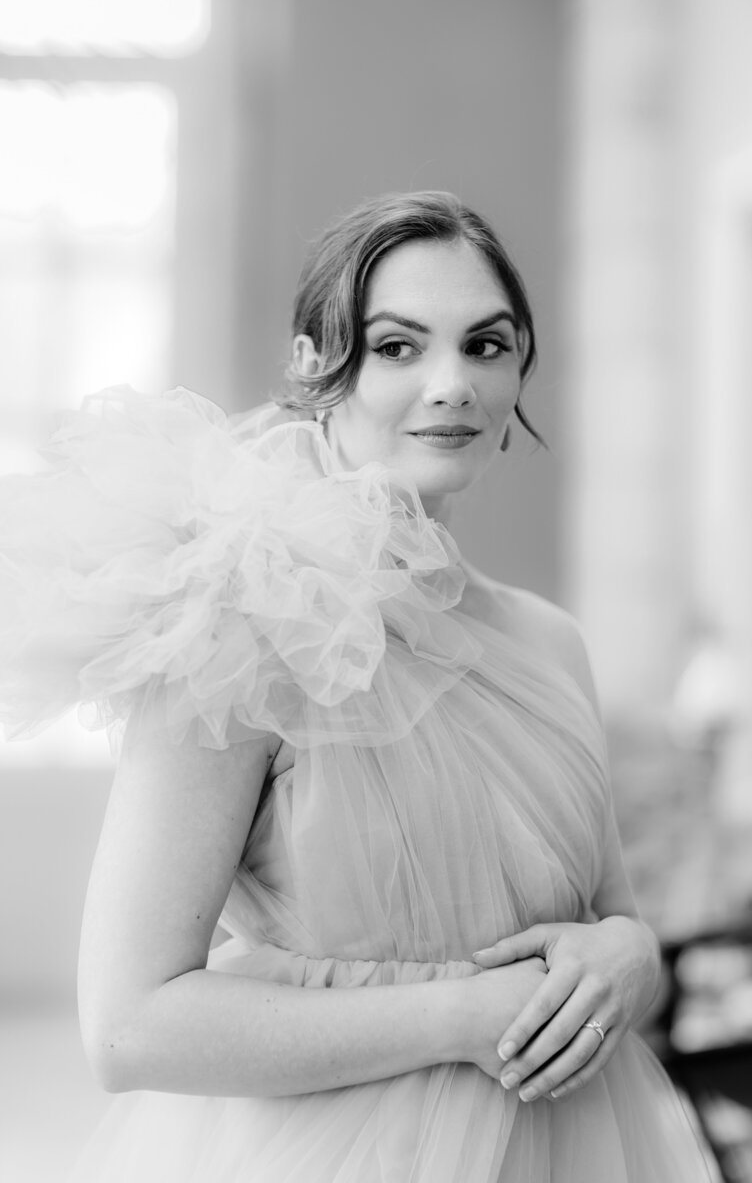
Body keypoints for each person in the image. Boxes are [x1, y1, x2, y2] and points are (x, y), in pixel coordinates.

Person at [0, 191, 712, 1181]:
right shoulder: (232, 626)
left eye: (486, 345)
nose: (451, 384)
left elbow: (606, 914)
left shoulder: (551, 644)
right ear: (311, 367)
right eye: (396, 347)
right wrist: (460, 1015)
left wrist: (630, 954)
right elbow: (127, 1029)